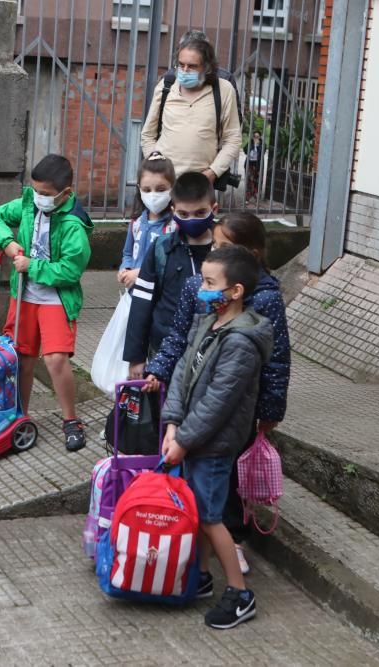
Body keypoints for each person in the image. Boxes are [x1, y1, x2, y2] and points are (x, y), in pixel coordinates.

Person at [144, 212, 291, 574]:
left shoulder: (262, 306)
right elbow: (181, 342)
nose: (217, 253)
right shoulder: (204, 297)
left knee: (224, 481)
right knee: (204, 489)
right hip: (196, 409)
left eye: (227, 247)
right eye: (215, 245)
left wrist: (271, 409)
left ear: (251, 255)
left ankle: (233, 549)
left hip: (234, 412)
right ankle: (205, 567)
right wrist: (158, 371)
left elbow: (277, 361)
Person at [160, 244, 273, 630]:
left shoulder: (241, 342)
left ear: (235, 291)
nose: (202, 289)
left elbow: (217, 403)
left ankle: (240, 594)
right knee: (197, 511)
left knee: (209, 517)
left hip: (213, 444)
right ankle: (202, 577)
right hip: (192, 437)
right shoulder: (207, 322)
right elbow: (180, 373)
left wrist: (185, 440)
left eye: (210, 283)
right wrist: (172, 424)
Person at [0, 154, 94, 452]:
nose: (38, 198)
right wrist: (7, 242)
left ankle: (71, 419)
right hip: (25, 297)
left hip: (55, 299)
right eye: (35, 191)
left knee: (56, 359)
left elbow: (71, 270)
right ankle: (19, 417)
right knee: (22, 358)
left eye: (45, 194)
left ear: (65, 194)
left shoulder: (74, 225)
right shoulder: (29, 203)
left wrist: (31, 266)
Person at [123, 171, 216, 380]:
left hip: (214, 351)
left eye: (200, 213)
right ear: (173, 211)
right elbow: (142, 301)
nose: (192, 220)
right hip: (165, 351)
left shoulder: (226, 250)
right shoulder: (161, 248)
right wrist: (136, 357)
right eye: (184, 214)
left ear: (214, 209)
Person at [140, 30, 241, 187]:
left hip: (200, 184)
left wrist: (212, 173)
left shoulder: (224, 90)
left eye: (192, 66)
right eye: (181, 65)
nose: (185, 70)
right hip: (163, 182)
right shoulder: (166, 85)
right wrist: (156, 167)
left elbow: (233, 139)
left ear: (207, 67)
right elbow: (147, 135)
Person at [117, 154, 176, 290]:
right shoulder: (136, 222)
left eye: (161, 190)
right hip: (134, 293)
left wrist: (140, 274)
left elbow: (172, 263)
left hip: (159, 296)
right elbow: (128, 253)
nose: (153, 195)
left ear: (172, 187)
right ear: (139, 188)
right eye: (147, 190)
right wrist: (125, 269)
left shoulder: (174, 226)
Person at [245, 131, 262, 202]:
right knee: (249, 180)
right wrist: (252, 145)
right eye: (255, 136)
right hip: (250, 164)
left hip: (257, 165)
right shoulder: (250, 143)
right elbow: (245, 150)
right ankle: (247, 197)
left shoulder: (262, 144)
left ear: (260, 137)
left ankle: (255, 195)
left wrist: (257, 146)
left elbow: (262, 152)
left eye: (257, 136)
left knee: (256, 181)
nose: (256, 138)